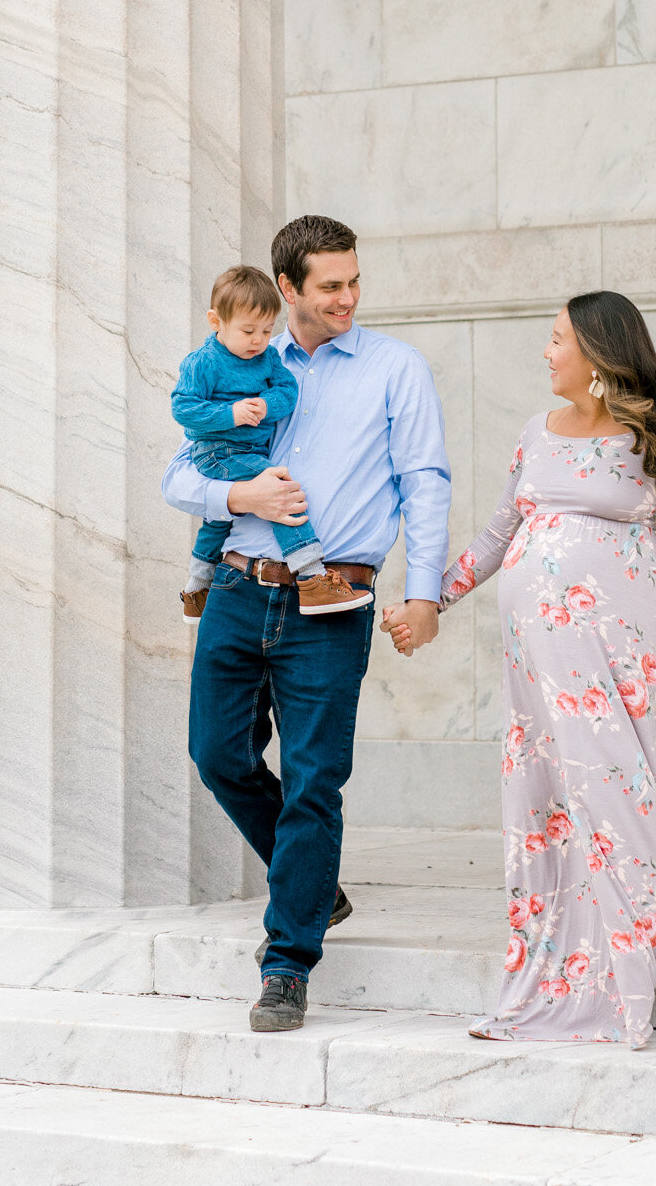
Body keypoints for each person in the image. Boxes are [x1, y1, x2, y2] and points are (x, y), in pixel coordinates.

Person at [384, 290, 656, 1048]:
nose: (545, 352)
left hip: (620, 645)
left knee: (616, 778)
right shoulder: (535, 433)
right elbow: (497, 534)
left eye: (556, 339)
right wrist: (432, 602)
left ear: (595, 351)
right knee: (555, 789)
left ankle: (636, 930)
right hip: (537, 659)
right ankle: (568, 937)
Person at [162, 214, 451, 1035]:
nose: (348, 297)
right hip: (236, 585)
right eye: (330, 285)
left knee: (316, 781)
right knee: (216, 754)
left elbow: (424, 480)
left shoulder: (395, 368)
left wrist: (424, 591)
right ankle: (313, 884)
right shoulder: (233, 359)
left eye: (354, 281)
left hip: (334, 599)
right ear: (287, 288)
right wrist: (236, 498)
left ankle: (286, 961)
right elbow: (179, 471)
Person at [172, 263, 371, 622]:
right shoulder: (202, 363)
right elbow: (183, 408)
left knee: (216, 521)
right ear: (216, 322)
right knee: (280, 491)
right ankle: (311, 576)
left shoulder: (267, 358)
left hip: (250, 451)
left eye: (266, 330)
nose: (258, 341)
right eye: (248, 331)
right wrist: (230, 414)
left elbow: (287, 390)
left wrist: (266, 405)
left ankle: (196, 589)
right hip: (217, 452)